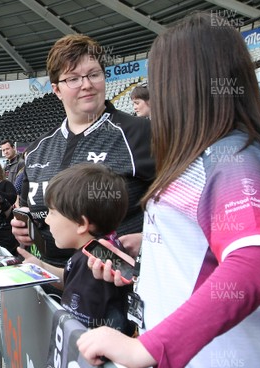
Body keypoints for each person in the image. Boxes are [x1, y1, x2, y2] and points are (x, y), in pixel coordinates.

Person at [76, 12, 260, 368]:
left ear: (182, 85)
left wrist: (147, 348)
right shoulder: (204, 155)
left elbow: (257, 262)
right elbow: (205, 247)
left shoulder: (233, 156)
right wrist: (151, 246)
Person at [11, 33, 155, 298]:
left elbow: (187, 211)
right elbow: (31, 210)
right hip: (49, 289)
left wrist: (147, 241)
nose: (86, 85)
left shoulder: (141, 134)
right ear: (56, 89)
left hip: (119, 295)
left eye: (94, 74)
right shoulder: (36, 150)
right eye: (74, 78)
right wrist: (24, 225)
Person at [17, 163, 135, 335]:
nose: (47, 220)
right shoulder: (99, 248)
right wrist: (41, 267)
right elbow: (71, 278)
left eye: (52, 212)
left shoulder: (90, 262)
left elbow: (77, 327)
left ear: (81, 224)